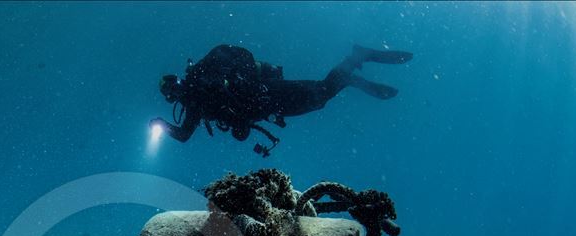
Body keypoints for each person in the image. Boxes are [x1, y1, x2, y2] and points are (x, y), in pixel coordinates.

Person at [151, 44, 413, 156]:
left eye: (172, 85)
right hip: (268, 108)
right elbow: (184, 134)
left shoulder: (201, 74)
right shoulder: (194, 106)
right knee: (320, 98)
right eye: (168, 93)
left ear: (179, 79)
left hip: (268, 92)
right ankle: (349, 76)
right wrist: (161, 125)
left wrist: (233, 79)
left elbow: (232, 52)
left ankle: (356, 59)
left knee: (319, 94)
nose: (173, 92)